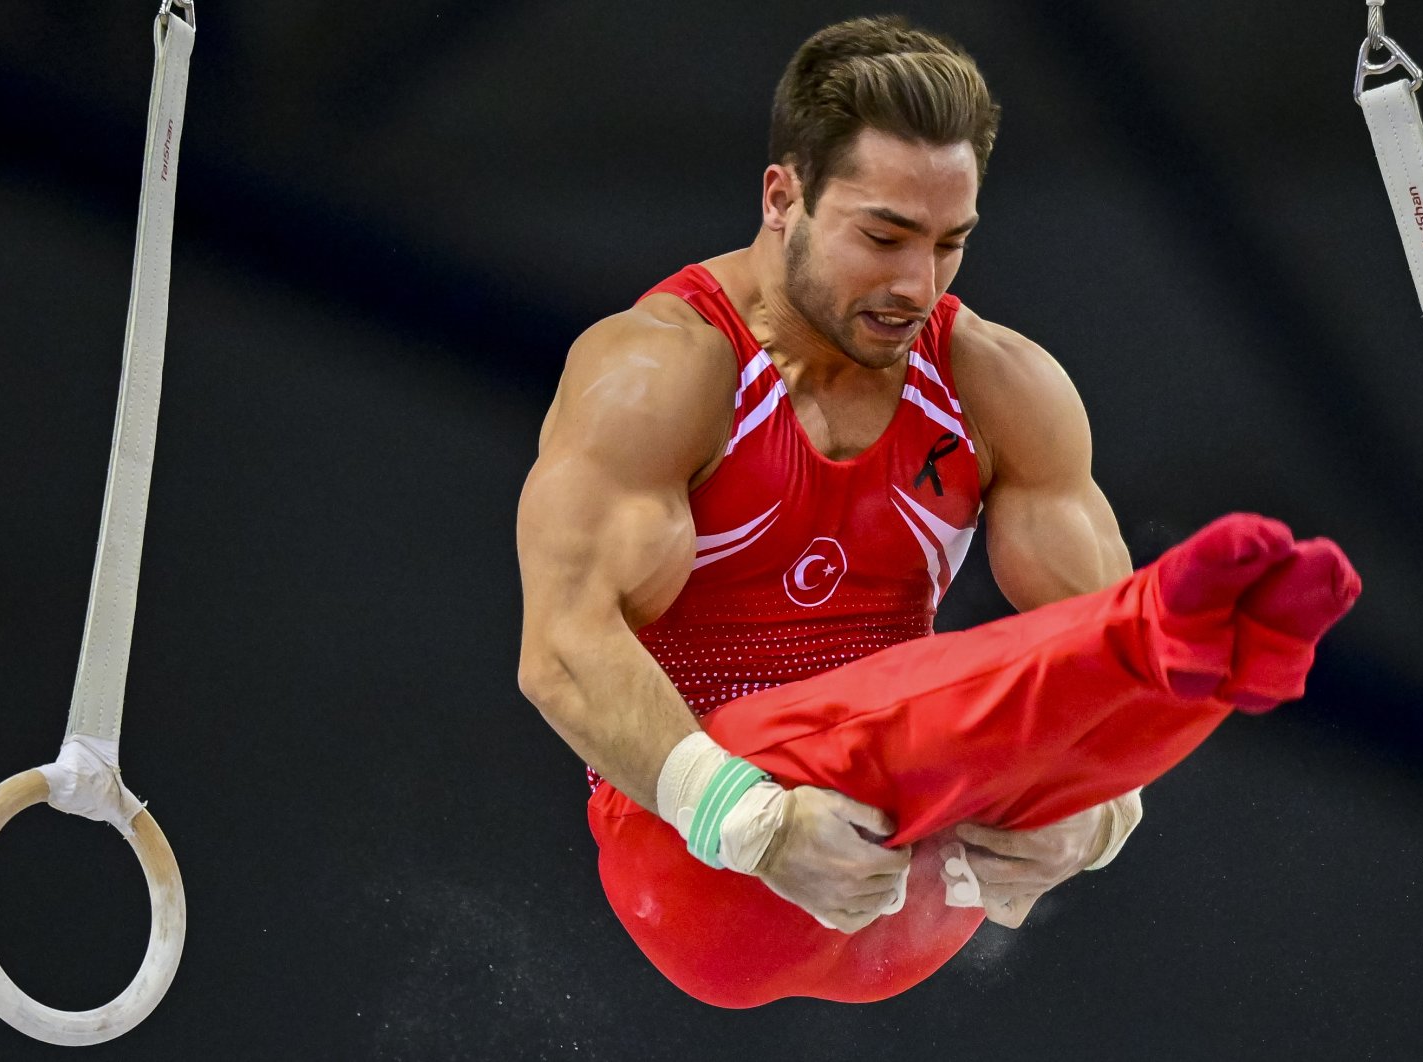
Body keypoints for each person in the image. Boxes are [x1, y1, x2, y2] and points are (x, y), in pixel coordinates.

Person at [515, 16, 1358, 1007]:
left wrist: (1092, 818)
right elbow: (560, 650)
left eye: (948, 243)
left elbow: (1076, 673)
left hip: (918, 874)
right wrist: (752, 822)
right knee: (904, 716)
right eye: (882, 236)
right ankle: (1176, 622)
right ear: (782, 197)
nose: (915, 284)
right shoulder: (663, 369)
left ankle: (1210, 642)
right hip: (702, 864)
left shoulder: (998, 386)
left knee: (1106, 678)